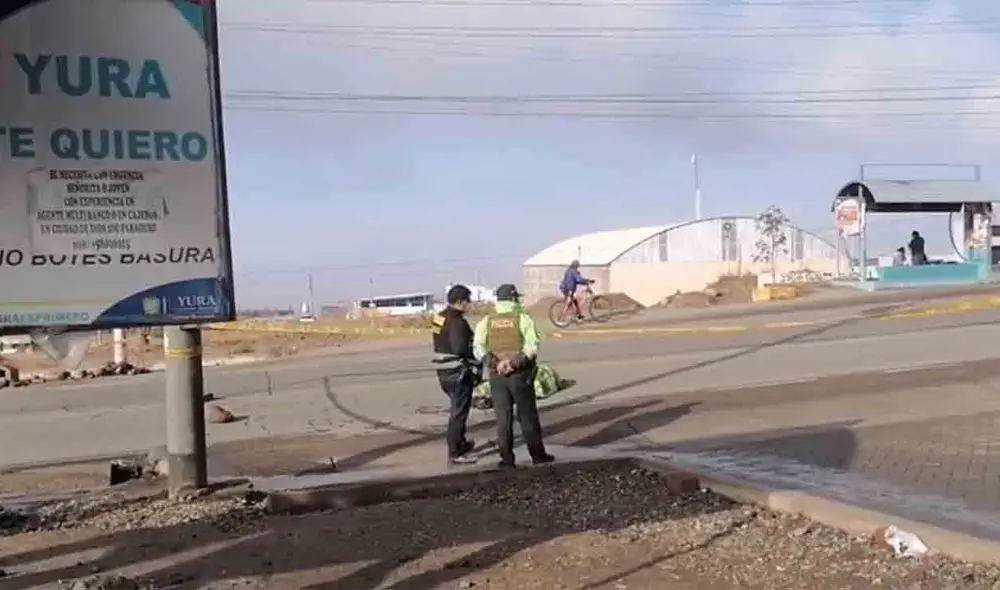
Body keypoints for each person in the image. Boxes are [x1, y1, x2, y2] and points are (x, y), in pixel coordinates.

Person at [473, 283, 555, 468]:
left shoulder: (486, 321)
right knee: (527, 416)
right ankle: (538, 456)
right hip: (520, 375)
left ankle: (507, 459)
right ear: (513, 299)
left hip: (497, 376)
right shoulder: (523, 319)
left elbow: (478, 349)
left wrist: (497, 364)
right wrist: (513, 363)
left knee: (503, 418)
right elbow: (532, 346)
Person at [431, 284, 480, 464]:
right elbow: (460, 348)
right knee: (459, 412)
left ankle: (461, 443)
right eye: (468, 301)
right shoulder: (457, 321)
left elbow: (438, 339)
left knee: (456, 408)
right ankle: (455, 452)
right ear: (459, 302)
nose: (470, 304)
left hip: (443, 371)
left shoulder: (439, 318)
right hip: (457, 372)